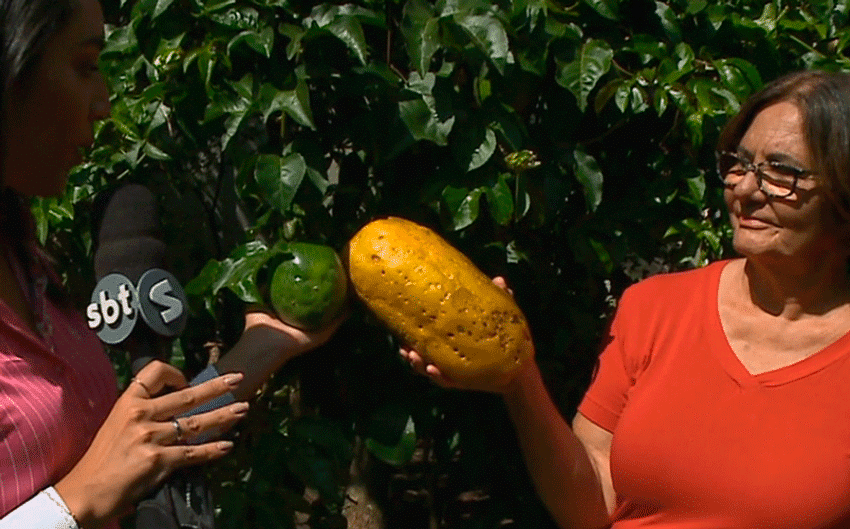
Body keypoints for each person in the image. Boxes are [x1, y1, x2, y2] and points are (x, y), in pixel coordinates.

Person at [403, 68, 850, 528]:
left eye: (781, 172)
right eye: (738, 164)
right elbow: (593, 504)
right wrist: (520, 379)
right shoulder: (655, 310)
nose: (744, 189)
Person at [0, 1, 342, 528]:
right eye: (86, 66)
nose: (104, 104)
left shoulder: (24, 260)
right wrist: (74, 503)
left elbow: (118, 457)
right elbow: (97, 480)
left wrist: (261, 348)